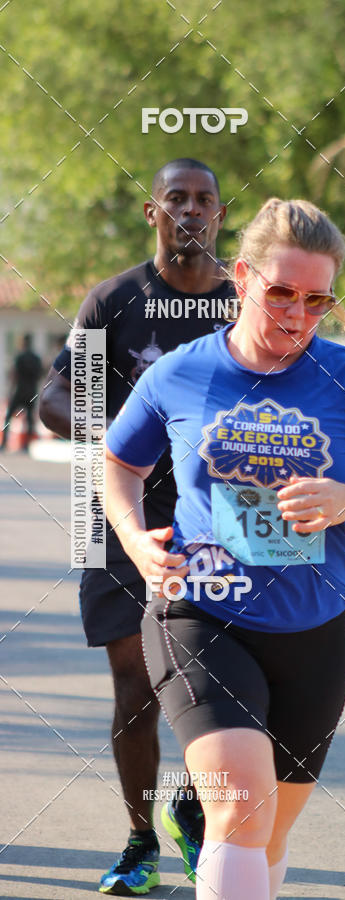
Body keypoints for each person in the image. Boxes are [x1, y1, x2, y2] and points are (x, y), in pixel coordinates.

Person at [103, 198, 345, 900]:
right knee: (241, 810)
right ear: (244, 278)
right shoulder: (180, 373)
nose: (298, 315)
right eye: (282, 292)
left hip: (314, 629)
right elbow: (118, 464)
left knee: (270, 831)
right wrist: (134, 539)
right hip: (198, 613)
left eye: (318, 301)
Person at [39, 158, 234, 895]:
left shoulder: (242, 303)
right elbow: (55, 398)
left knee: (225, 682)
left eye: (204, 200)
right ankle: (138, 842)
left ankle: (192, 801)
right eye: (176, 199)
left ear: (219, 215)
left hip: (219, 522)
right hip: (119, 518)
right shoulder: (116, 301)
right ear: (153, 213)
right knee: (136, 685)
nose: (190, 211)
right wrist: (128, 430)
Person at [0, 334, 42, 451]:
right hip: (31, 392)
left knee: (9, 417)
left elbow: (14, 375)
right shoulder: (36, 358)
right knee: (29, 419)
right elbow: (39, 375)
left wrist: (10, 391)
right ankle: (26, 446)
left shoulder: (20, 357)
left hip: (20, 391)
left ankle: (4, 444)